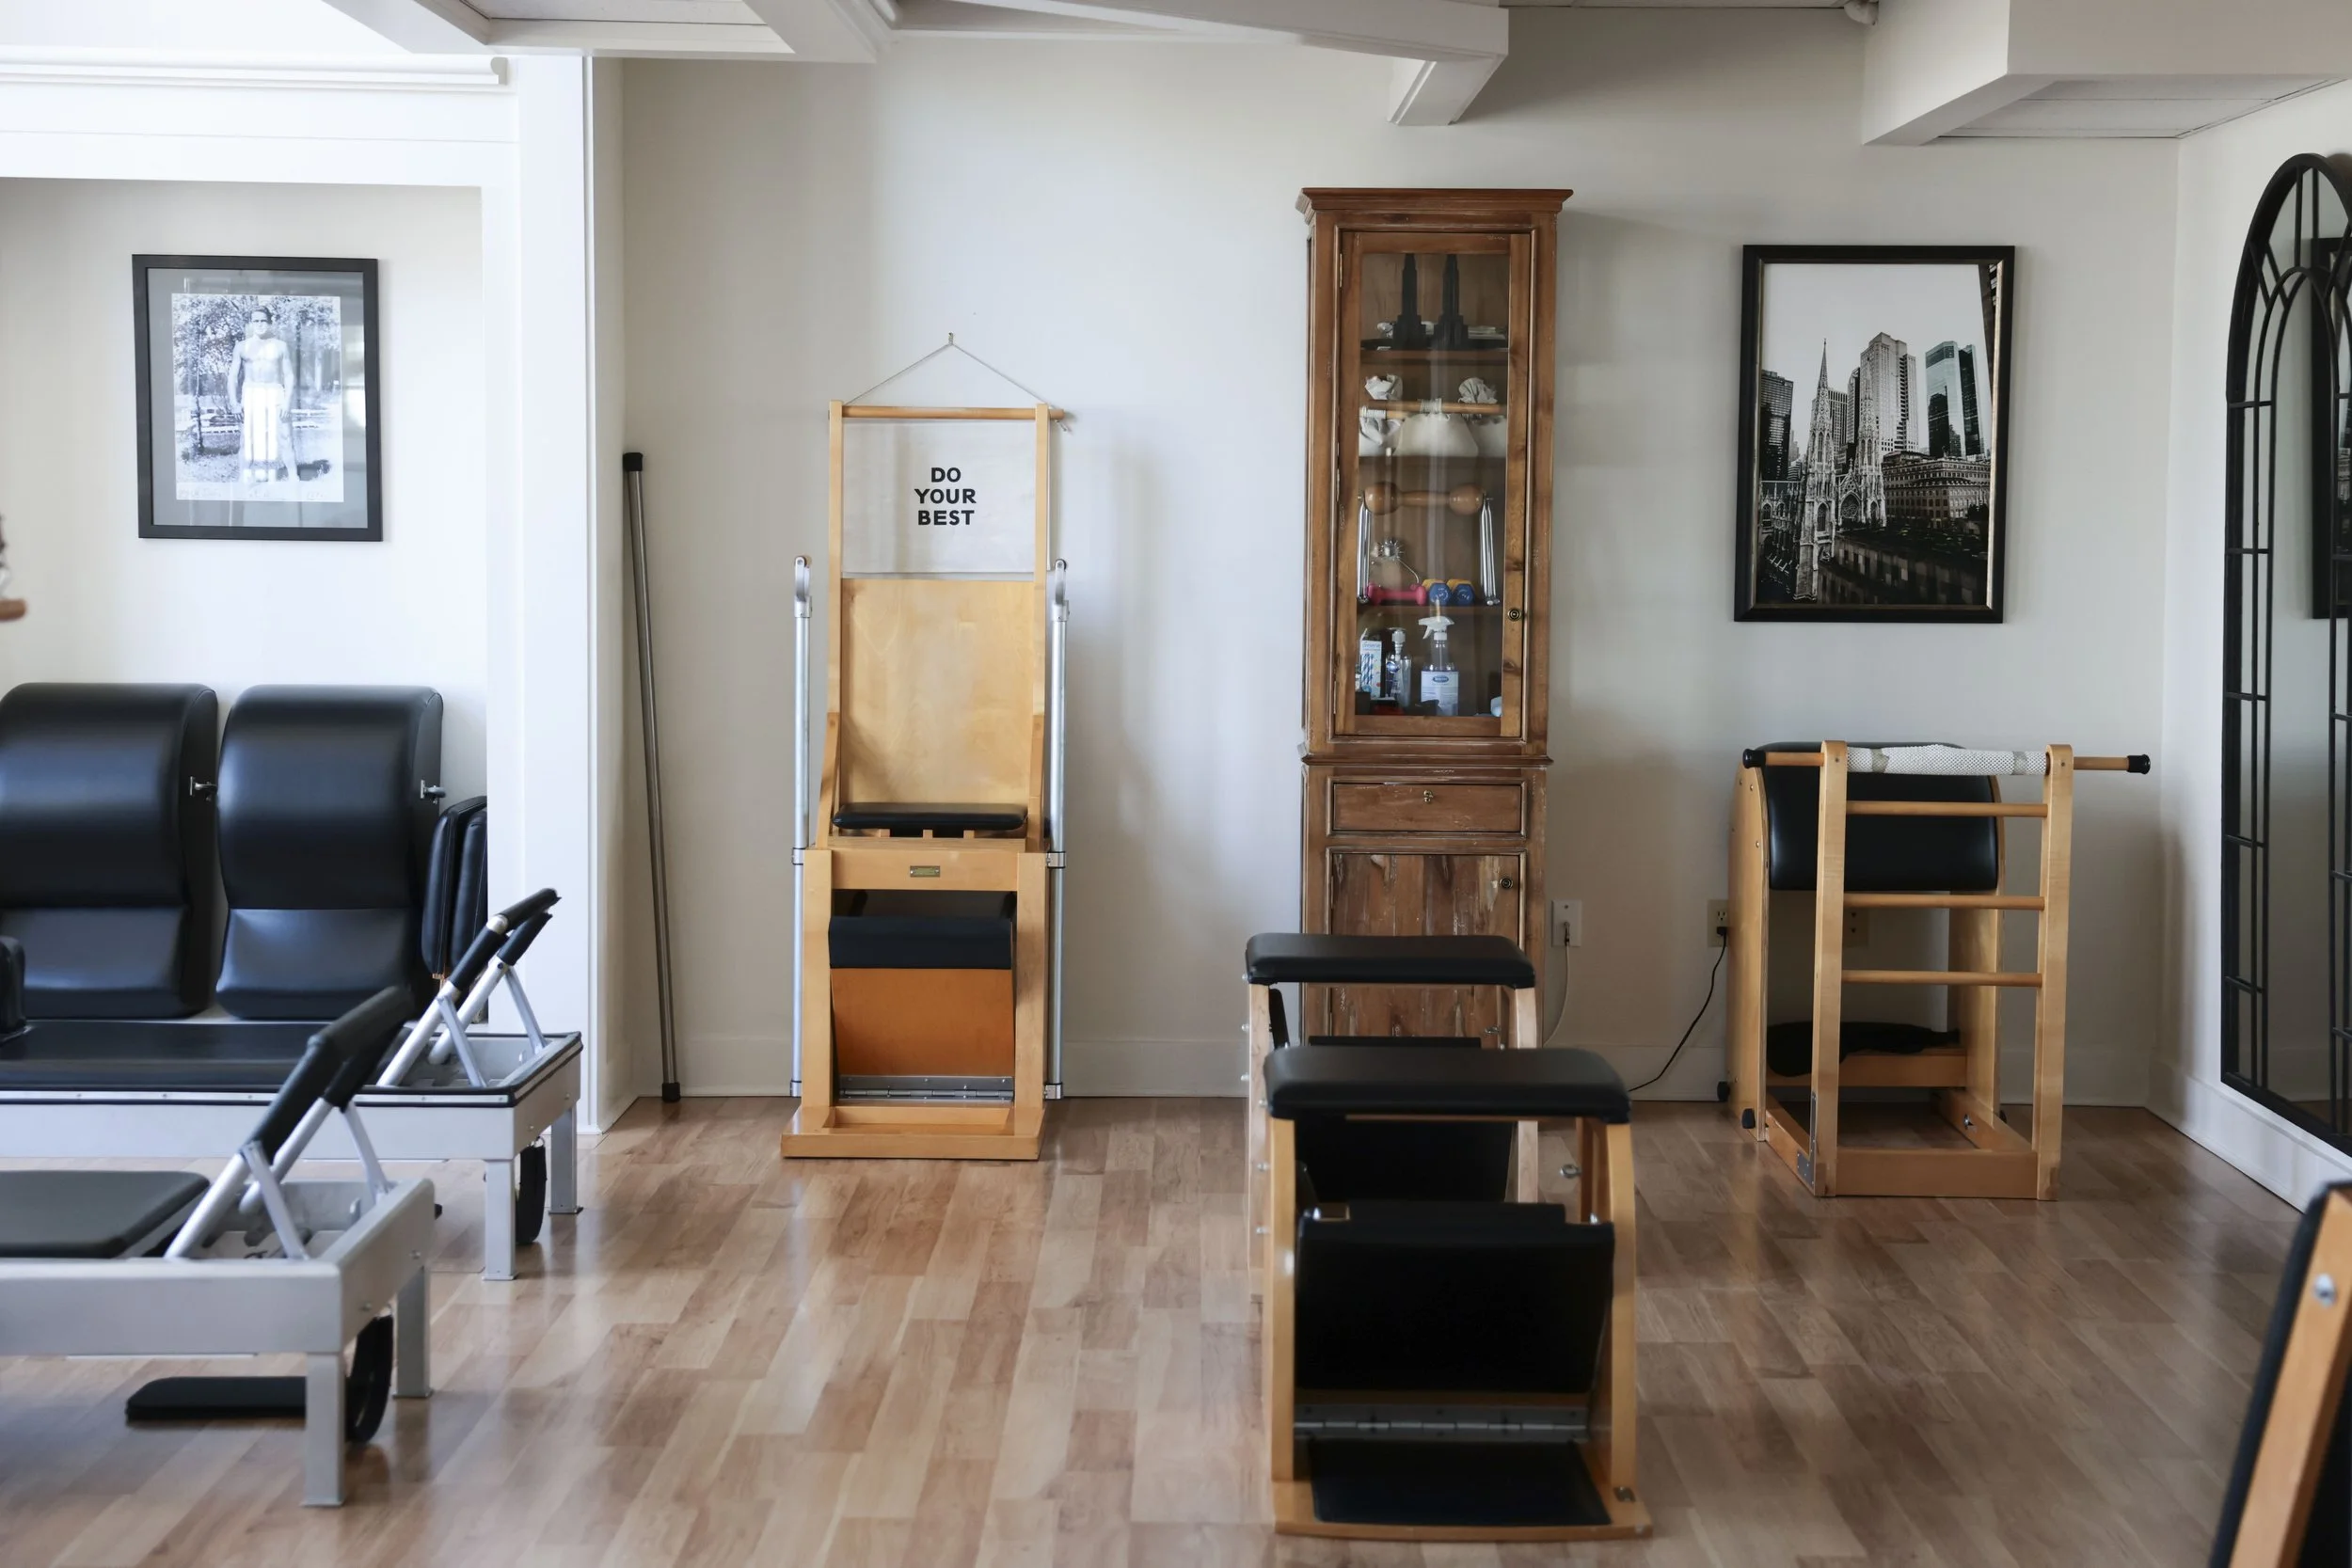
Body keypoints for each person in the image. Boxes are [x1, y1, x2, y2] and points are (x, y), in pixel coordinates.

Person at [229, 306, 296, 486]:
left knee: (285, 436)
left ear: (270, 322)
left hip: (275, 392)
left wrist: (287, 402)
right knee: (247, 438)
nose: (259, 324)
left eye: (263, 320)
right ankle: (244, 478)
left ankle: (293, 477)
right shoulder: (242, 347)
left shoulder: (280, 346)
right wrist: (234, 403)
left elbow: (289, 375)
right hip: (251, 393)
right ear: (251, 323)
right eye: (256, 321)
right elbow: (232, 377)